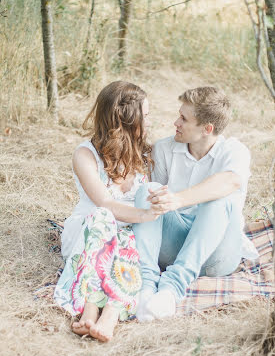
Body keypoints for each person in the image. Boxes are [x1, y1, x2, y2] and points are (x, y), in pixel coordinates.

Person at [133, 86, 258, 322]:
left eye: (183, 118)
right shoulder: (164, 148)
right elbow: (153, 209)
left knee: (220, 197)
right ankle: (146, 287)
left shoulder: (235, 151)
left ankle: (171, 290)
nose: (175, 122)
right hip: (174, 247)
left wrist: (178, 199)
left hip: (217, 255)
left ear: (206, 129)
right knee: (147, 190)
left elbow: (230, 181)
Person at [54, 81, 157, 342]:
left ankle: (110, 313)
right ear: (128, 119)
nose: (149, 121)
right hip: (89, 234)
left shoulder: (146, 155)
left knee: (130, 241)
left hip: (126, 239)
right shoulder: (85, 155)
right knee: (104, 219)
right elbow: (105, 203)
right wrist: (146, 215)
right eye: (145, 115)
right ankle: (89, 307)